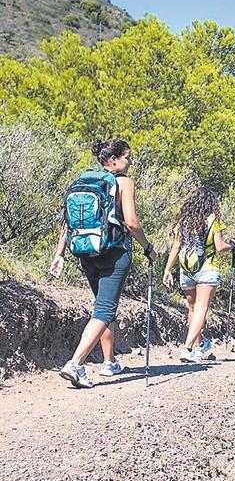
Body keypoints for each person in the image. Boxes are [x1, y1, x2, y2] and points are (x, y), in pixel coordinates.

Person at [50, 139, 157, 388]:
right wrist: (148, 248)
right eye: (128, 157)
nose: (130, 162)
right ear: (114, 161)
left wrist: (60, 254)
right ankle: (75, 364)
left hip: (86, 252)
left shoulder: (82, 181)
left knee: (103, 306)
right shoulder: (124, 182)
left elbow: (68, 222)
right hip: (113, 253)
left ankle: (109, 362)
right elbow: (131, 222)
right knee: (105, 310)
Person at [162, 187, 235, 362]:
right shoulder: (213, 220)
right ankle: (187, 348)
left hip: (186, 270)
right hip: (207, 269)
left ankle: (199, 347)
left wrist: (167, 269)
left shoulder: (183, 220)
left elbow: (176, 246)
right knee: (201, 309)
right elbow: (219, 247)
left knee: (193, 309)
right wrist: (232, 245)